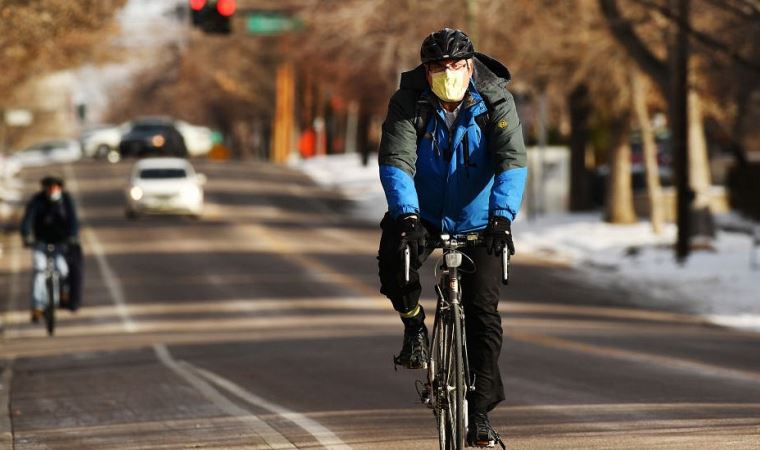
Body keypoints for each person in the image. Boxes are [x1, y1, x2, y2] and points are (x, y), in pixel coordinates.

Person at [377, 28, 527, 447]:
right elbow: (396, 161)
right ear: (425, 71)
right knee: (395, 259)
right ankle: (413, 329)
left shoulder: (494, 101)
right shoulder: (407, 103)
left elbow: (512, 161)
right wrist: (405, 215)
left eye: (455, 65)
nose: (448, 73)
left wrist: (502, 218)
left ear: (470, 64)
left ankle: (479, 414)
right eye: (437, 66)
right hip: (421, 212)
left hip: (480, 221)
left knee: (484, 313)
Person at [20, 175, 81, 322]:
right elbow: (27, 220)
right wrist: (27, 235)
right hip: (40, 243)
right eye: (50, 187)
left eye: (56, 187)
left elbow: (73, 221)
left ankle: (63, 293)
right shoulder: (37, 200)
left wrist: (73, 236)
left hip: (60, 243)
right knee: (40, 269)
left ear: (60, 187)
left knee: (63, 269)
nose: (53, 190)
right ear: (45, 188)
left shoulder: (66, 200)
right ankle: (37, 307)